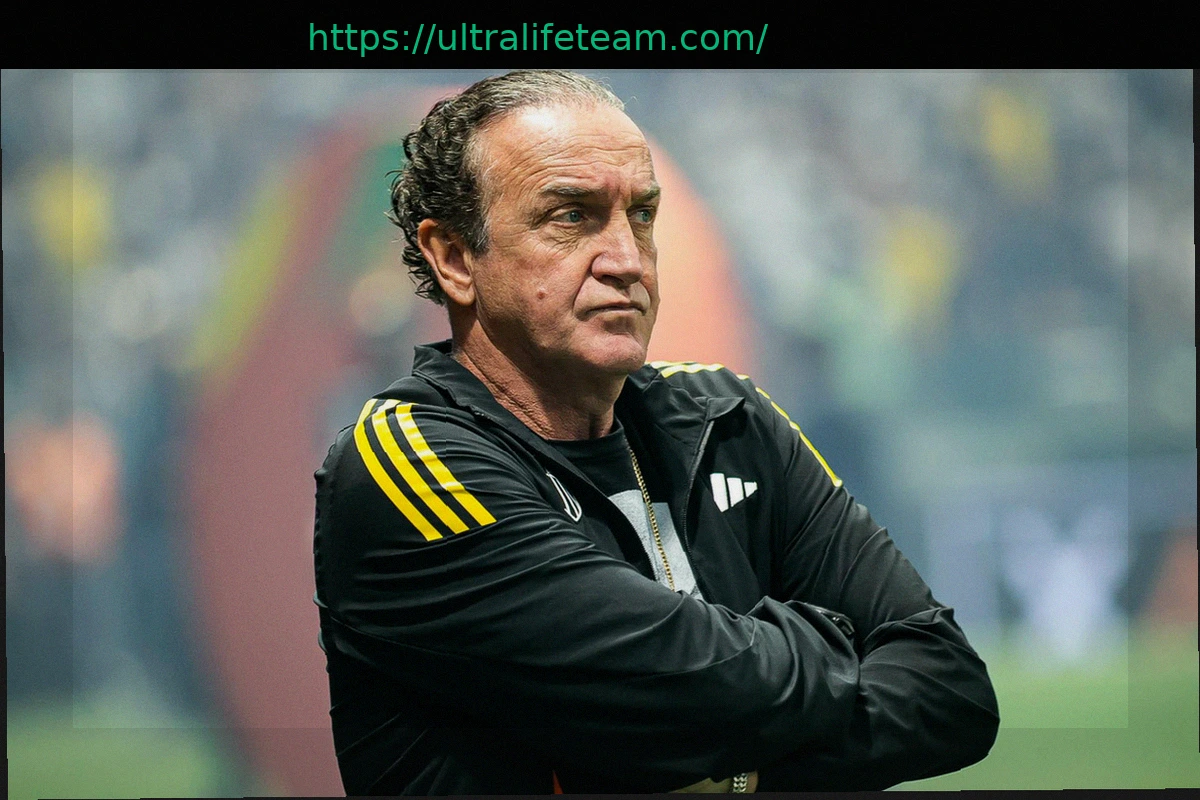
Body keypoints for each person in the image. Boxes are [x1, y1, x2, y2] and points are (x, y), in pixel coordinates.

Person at [313, 70, 999, 795]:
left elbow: (949, 688)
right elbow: (684, 684)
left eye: (641, 215)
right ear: (455, 258)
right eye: (571, 216)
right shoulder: (402, 460)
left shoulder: (727, 419)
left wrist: (731, 775)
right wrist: (833, 643)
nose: (627, 259)